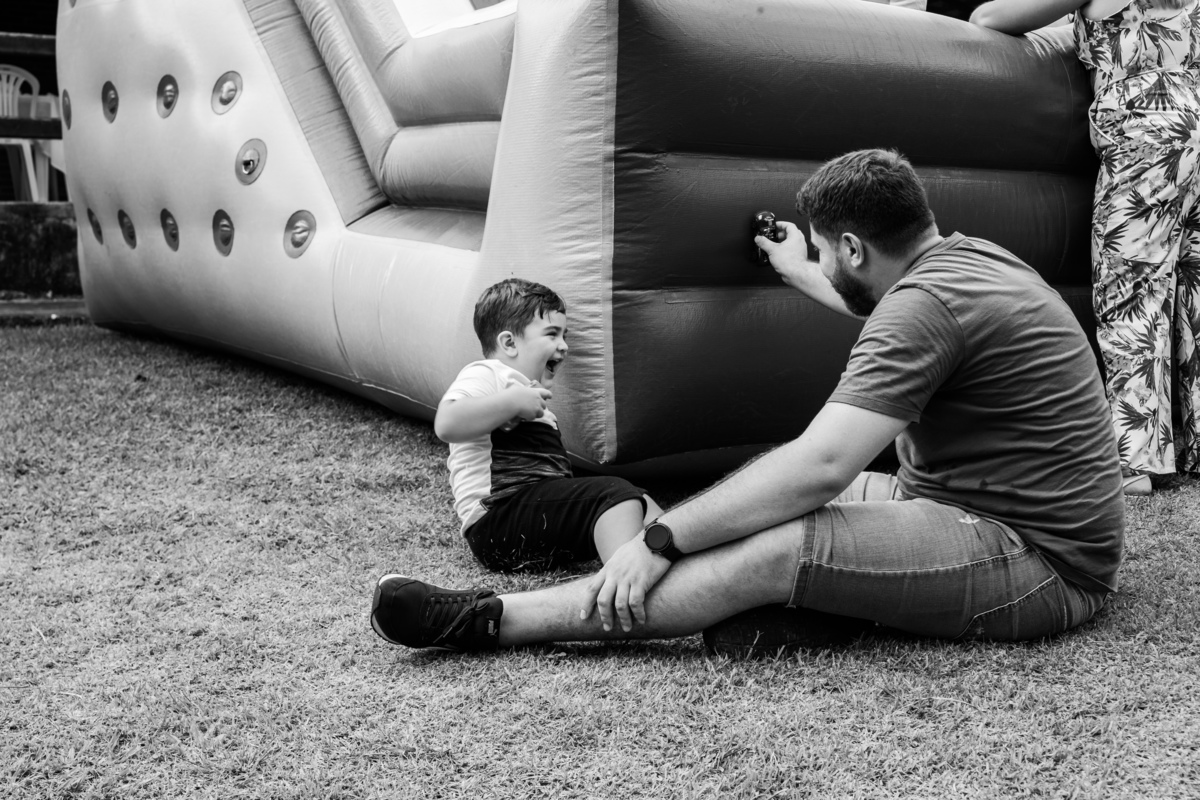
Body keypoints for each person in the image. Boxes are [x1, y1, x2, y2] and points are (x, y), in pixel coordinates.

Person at [370, 150, 1124, 654]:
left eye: (830, 252)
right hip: (967, 505)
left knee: (773, 541)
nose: (827, 265)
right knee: (759, 491)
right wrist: (797, 268)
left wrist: (661, 541)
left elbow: (821, 466)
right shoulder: (966, 260)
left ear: (856, 248)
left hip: (1040, 562)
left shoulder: (922, 308)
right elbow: (880, 309)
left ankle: (490, 621)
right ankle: (823, 611)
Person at [971, 0, 1200, 496]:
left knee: (1130, 287)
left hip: (1150, 126)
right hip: (1195, 117)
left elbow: (990, 18)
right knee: (1194, 295)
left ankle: (1133, 460)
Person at [429, 277, 663, 576]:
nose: (564, 346)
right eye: (552, 334)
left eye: (565, 335)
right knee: (613, 494)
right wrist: (511, 402)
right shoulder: (488, 373)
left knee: (639, 499)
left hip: (535, 519)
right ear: (509, 343)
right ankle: (626, 582)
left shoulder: (537, 406)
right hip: (498, 521)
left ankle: (675, 554)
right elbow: (447, 424)